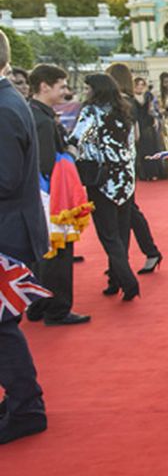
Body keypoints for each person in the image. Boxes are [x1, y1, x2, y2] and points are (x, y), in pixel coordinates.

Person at [0, 30, 50, 444]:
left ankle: (26, 405)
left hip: (8, 235)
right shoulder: (9, 103)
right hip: (13, 229)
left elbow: (4, 178)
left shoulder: (4, 108)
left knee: (1, 326)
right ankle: (20, 400)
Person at [24, 64, 90, 326]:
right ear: (44, 86)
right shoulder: (40, 119)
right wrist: (70, 156)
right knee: (57, 255)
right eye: (61, 86)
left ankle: (38, 305)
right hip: (51, 196)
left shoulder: (34, 112)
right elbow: (45, 164)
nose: (66, 91)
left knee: (41, 254)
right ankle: (57, 309)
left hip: (38, 195)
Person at [68, 73, 140, 301]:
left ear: (96, 90)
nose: (85, 92)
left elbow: (77, 138)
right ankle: (115, 279)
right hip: (126, 179)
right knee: (121, 233)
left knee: (108, 235)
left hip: (101, 179)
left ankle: (127, 280)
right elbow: (132, 144)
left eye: (87, 88)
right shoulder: (124, 110)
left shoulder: (91, 111)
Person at [106, 64, 163, 276]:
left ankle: (123, 263)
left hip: (119, 164)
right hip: (127, 162)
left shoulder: (120, 103)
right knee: (129, 211)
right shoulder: (126, 101)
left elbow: (135, 132)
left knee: (126, 212)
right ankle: (145, 253)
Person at [131, 76, 164, 181]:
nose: (140, 87)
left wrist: (155, 119)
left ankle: (155, 172)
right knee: (142, 149)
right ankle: (145, 173)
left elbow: (151, 109)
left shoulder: (148, 96)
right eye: (138, 85)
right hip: (138, 123)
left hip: (148, 123)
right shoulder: (130, 98)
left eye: (142, 84)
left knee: (152, 147)